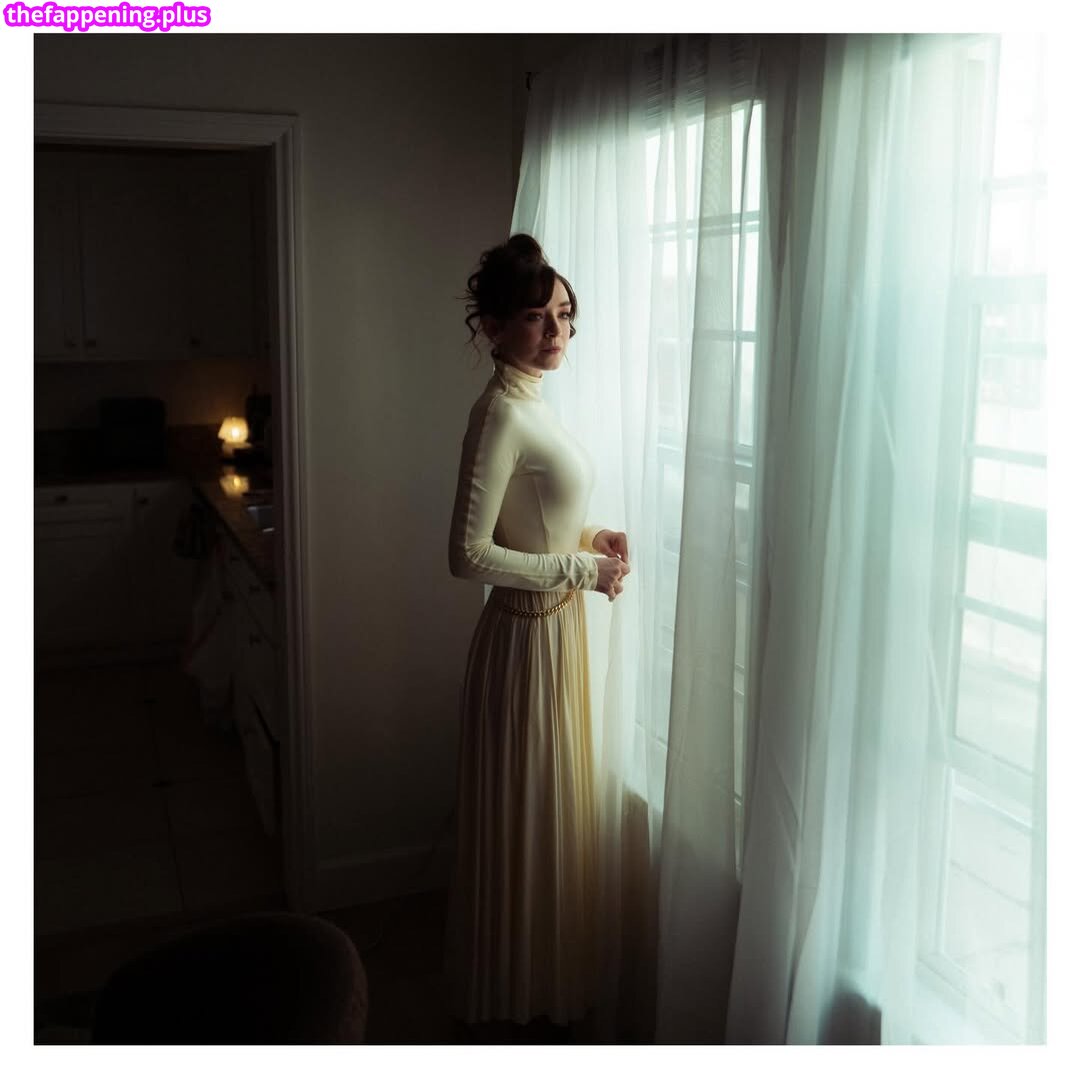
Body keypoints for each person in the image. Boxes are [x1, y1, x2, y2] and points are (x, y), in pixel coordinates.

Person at [444, 234, 630, 1041]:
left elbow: (535, 520)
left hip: (556, 633)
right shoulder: (498, 414)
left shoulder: (534, 402)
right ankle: (513, 1015)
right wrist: (581, 570)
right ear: (493, 326)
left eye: (564, 314)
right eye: (535, 317)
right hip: (523, 645)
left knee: (550, 819)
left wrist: (591, 537)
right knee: (525, 824)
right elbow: (467, 554)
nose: (557, 332)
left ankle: (544, 992)